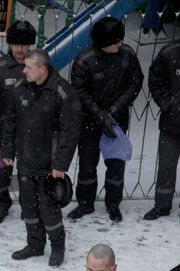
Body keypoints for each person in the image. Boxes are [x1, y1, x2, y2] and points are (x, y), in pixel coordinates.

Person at [2, 49, 81, 267]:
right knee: (28, 205)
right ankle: (35, 244)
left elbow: (70, 131)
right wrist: (8, 151)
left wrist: (60, 164)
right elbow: (10, 122)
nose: (24, 70)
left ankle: (57, 246)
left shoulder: (62, 92)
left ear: (42, 69)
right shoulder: (20, 88)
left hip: (49, 165)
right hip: (26, 161)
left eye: (28, 67)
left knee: (49, 207)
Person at [69, 17, 143, 222]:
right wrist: (101, 116)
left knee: (116, 164)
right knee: (87, 165)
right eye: (115, 41)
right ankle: (85, 203)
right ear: (104, 42)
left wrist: (116, 109)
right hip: (89, 121)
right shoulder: (85, 60)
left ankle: (113, 204)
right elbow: (80, 92)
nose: (120, 44)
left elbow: (135, 82)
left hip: (117, 120)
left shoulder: (127, 54)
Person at [0, 20, 36, 224]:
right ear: (10, 44)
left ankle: (29, 207)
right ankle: (1, 205)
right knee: (1, 174)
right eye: (16, 44)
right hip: (3, 133)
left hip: (31, 132)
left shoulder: (39, 67)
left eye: (24, 44)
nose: (20, 49)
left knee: (29, 174)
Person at [143, 40, 180, 220]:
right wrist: (168, 103)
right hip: (171, 124)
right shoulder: (169, 52)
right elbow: (155, 79)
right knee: (166, 167)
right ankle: (162, 205)